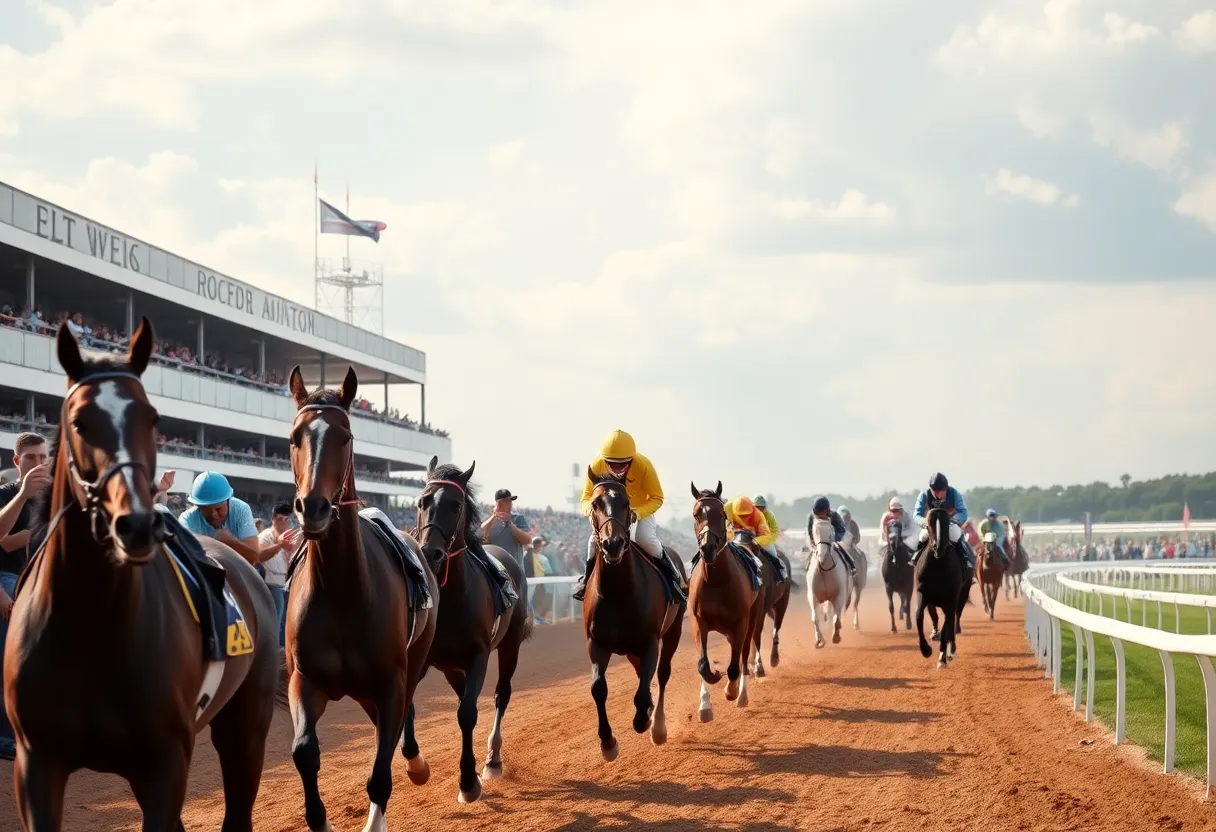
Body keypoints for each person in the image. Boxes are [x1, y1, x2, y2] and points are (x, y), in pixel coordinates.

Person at [572, 429, 685, 601]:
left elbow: (657, 498)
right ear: (605, 460)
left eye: (623, 464)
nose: (617, 469)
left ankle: (674, 578)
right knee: (593, 541)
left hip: (639, 509)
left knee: (646, 539)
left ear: (631, 460)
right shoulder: (596, 465)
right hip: (611, 512)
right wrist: (591, 512)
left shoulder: (644, 465)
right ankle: (586, 579)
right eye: (612, 464)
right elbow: (586, 498)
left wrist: (637, 513)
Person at [0, 433, 51, 760]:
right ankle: (5, 737)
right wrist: (22, 494)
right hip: (8, 581)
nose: (38, 464)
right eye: (30, 458)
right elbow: (3, 542)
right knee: (10, 658)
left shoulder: (54, 496)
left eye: (43, 457)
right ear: (18, 462)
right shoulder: (6, 493)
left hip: (40, 581)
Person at [178, 472, 279, 566]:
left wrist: (232, 542)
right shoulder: (186, 520)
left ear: (228, 501)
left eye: (218, 509)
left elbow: (254, 557)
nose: (214, 514)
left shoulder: (241, 509)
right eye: (206, 509)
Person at [257, 502, 299, 647]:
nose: (287, 523)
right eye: (284, 519)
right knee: (275, 623)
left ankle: (280, 652)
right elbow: (259, 556)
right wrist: (279, 545)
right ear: (276, 519)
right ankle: (272, 651)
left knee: (284, 624)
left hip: (284, 585)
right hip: (271, 584)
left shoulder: (288, 538)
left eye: (289, 519)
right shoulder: (265, 536)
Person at [911, 472, 974, 569]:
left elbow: (963, 513)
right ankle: (915, 558)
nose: (939, 494)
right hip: (930, 525)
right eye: (935, 491)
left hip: (949, 524)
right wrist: (924, 522)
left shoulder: (954, 493)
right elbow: (916, 514)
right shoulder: (924, 495)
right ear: (930, 489)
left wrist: (952, 519)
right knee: (922, 536)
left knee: (956, 535)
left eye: (942, 491)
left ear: (946, 488)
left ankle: (966, 560)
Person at [480, 488, 532, 568]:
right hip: (496, 570)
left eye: (510, 501)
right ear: (498, 503)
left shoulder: (517, 518)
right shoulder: (489, 521)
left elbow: (527, 540)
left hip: (515, 570)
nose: (510, 503)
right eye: (506, 501)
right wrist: (494, 516)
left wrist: (511, 525)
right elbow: (482, 534)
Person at [807, 496, 857, 575]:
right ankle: (806, 570)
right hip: (816, 540)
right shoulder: (811, 516)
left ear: (827, 511)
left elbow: (842, 529)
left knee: (842, 549)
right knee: (808, 554)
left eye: (821, 513)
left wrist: (833, 538)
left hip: (831, 540)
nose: (819, 516)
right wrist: (815, 543)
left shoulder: (833, 515)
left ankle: (851, 565)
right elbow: (810, 532)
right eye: (817, 514)